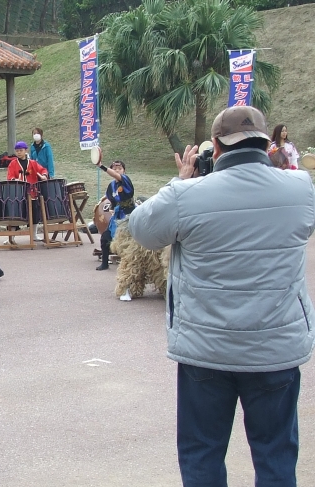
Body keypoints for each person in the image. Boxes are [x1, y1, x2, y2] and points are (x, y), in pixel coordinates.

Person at [128, 105, 315, 487]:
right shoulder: (301, 188)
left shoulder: (185, 194)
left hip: (206, 349)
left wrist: (179, 179)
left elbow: (142, 230)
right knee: (276, 454)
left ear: (215, 146)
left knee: (202, 453)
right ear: (267, 144)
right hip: (275, 348)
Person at [95, 156, 135, 271]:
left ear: (124, 171)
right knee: (105, 237)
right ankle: (105, 263)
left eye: (120, 168)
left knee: (128, 240)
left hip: (129, 215)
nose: (117, 170)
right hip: (117, 215)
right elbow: (112, 200)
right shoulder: (111, 186)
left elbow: (116, 176)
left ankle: (130, 264)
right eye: (114, 168)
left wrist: (101, 166)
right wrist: (112, 208)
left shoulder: (125, 180)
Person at [7, 141, 48, 241]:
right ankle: (11, 238)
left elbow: (43, 170)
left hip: (32, 192)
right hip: (18, 193)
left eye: (21, 150)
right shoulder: (13, 163)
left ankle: (34, 235)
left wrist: (44, 176)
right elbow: (10, 176)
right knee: (15, 214)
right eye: (17, 151)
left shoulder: (33, 163)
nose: (19, 153)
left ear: (26, 150)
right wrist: (14, 179)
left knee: (35, 214)